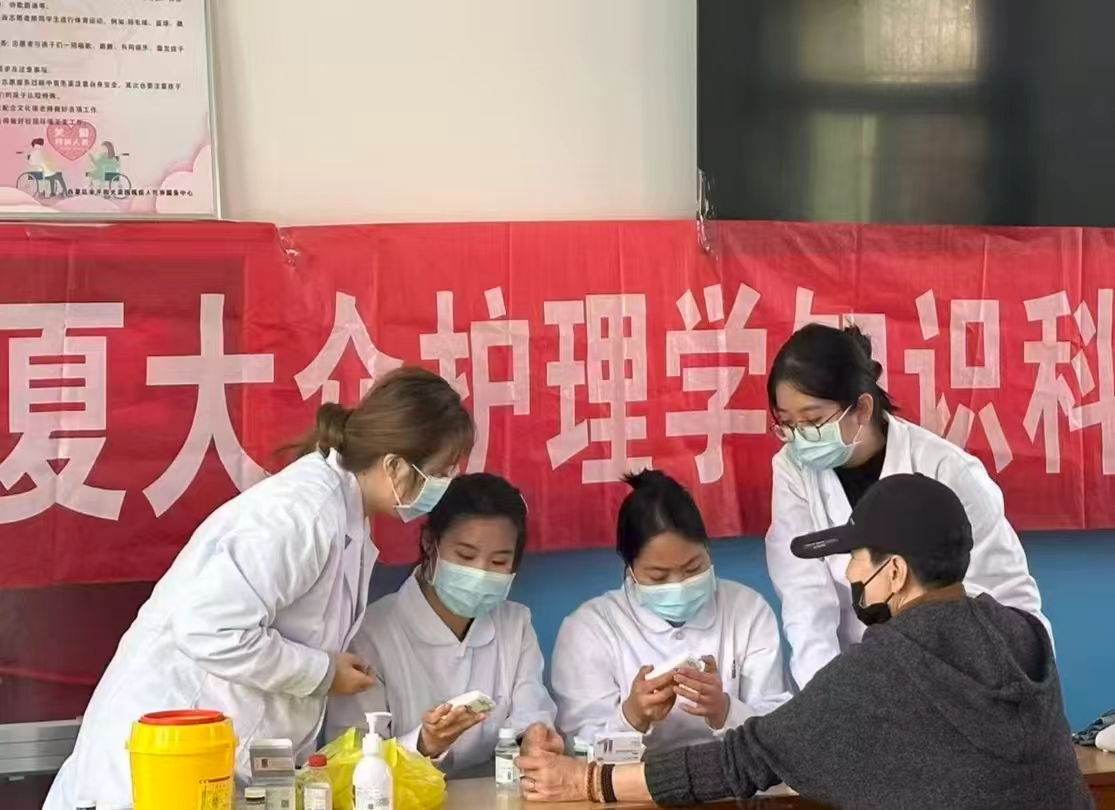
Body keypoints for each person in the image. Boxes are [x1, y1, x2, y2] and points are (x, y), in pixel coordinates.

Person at [518, 474, 1092, 810]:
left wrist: (585, 781)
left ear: (893, 572)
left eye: (856, 558)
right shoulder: (1026, 634)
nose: (850, 575)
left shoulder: (880, 666)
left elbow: (744, 760)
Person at [45, 367, 473, 810]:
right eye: (439, 473)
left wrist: (324, 670)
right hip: (156, 763)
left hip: (211, 763)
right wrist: (321, 672)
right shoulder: (301, 513)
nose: (441, 487)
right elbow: (208, 629)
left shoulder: (345, 516)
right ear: (394, 466)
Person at [765, 323, 1050, 689]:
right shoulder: (793, 468)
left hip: (959, 677)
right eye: (788, 424)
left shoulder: (947, 470)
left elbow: (1003, 598)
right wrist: (826, 697)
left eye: (813, 421)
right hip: (856, 675)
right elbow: (805, 601)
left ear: (862, 408)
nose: (800, 438)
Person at [325, 473, 561, 778]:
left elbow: (532, 712)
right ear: (430, 543)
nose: (480, 573)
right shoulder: (371, 633)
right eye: (465, 555)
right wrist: (424, 744)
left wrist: (533, 738)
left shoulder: (516, 624)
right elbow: (349, 757)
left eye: (499, 562)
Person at [550, 470, 791, 755]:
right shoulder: (589, 629)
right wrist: (632, 717)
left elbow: (778, 730)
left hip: (729, 773)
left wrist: (724, 710)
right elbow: (581, 749)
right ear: (630, 569)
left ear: (708, 549)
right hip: (633, 779)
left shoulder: (747, 609)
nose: (679, 585)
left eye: (693, 568)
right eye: (658, 577)